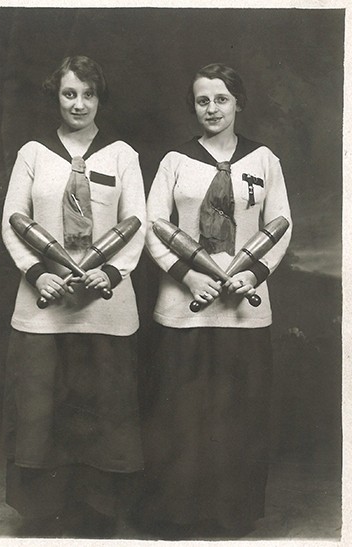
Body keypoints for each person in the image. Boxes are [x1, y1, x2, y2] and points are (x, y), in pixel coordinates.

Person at [141, 63, 292, 539]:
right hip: (184, 307)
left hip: (244, 307)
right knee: (180, 416)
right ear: (194, 106)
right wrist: (188, 278)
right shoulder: (175, 161)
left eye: (221, 99)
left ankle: (231, 518)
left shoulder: (264, 160)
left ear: (238, 103)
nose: (212, 108)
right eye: (203, 100)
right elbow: (153, 227)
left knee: (237, 417)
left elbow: (282, 224)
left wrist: (251, 273)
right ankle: (178, 517)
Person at [1, 55, 146, 538]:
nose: (78, 103)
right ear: (56, 97)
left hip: (104, 306)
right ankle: (44, 515)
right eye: (69, 93)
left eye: (88, 94)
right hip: (45, 307)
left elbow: (137, 227)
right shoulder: (33, 153)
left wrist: (111, 274)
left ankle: (99, 514)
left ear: (100, 97)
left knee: (103, 412)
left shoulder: (122, 155)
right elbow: (13, 221)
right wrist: (37, 273)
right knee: (44, 410)